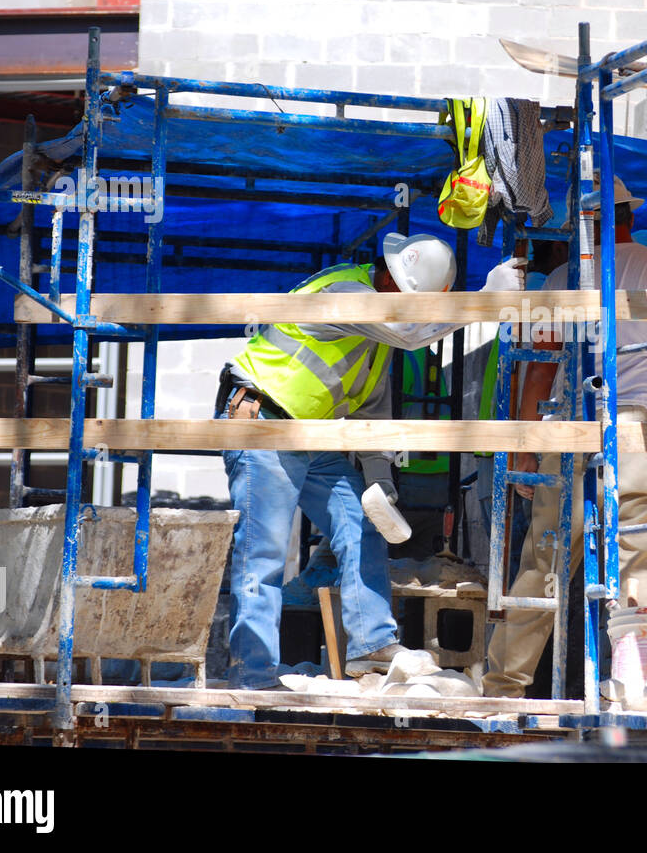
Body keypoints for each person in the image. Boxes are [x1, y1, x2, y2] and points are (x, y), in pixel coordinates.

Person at [216, 232, 524, 690]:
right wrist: (484, 300)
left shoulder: (376, 336)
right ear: (394, 282)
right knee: (262, 554)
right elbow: (409, 333)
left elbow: (369, 407)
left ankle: (371, 643)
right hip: (262, 420)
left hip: (312, 434)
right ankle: (253, 674)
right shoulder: (347, 294)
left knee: (360, 519)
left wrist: (379, 475)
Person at [483, 176, 647, 698]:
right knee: (639, 557)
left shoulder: (563, 278)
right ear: (632, 216)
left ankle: (504, 683)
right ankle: (642, 683)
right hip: (645, 428)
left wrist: (524, 443)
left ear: (584, 226)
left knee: (545, 558)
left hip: (572, 427)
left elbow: (540, 371)